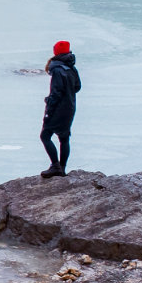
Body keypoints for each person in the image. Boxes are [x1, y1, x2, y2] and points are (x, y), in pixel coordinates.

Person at [40, 39, 80, 178]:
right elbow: (77, 87)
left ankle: (55, 166)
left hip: (58, 109)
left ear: (55, 52)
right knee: (64, 138)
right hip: (70, 108)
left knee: (45, 136)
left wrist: (48, 107)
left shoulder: (57, 70)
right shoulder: (71, 68)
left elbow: (56, 93)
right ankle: (62, 168)